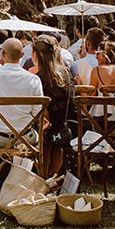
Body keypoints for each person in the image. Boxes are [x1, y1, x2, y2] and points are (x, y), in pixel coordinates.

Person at [33, 35, 74, 176]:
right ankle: (53, 176)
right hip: (66, 125)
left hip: (46, 129)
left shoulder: (39, 77)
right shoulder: (66, 73)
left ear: (35, 55)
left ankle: (43, 176)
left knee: (40, 127)